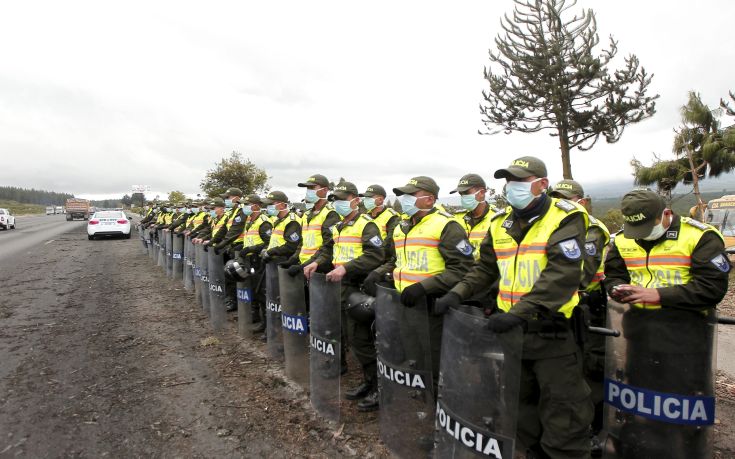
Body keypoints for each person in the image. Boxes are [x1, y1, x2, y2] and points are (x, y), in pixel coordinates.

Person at [436, 156, 593, 459]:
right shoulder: (500, 223)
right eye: (508, 182)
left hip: (551, 335)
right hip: (512, 335)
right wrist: (456, 294)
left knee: (564, 414)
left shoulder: (565, 217)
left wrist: (516, 314)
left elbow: (562, 275)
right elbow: (484, 269)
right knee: (519, 407)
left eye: (519, 182)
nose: (511, 188)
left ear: (541, 184)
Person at [603, 189, 730, 458]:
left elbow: (711, 288)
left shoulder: (699, 237)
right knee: (641, 398)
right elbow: (613, 274)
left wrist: (658, 294)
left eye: (646, 227)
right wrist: (617, 288)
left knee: (681, 403)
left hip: (684, 334)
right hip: (638, 331)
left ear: (666, 215)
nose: (640, 234)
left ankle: (687, 450)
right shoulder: (623, 239)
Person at [378, 176, 474, 385]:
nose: (405, 199)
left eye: (411, 195)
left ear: (429, 199)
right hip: (406, 303)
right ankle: (424, 401)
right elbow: (397, 261)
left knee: (436, 359)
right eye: (404, 195)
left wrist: (423, 287)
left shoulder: (446, 225)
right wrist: (381, 275)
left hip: (432, 306)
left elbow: (462, 268)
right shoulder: (402, 227)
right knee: (415, 356)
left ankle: (443, 403)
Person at [303, 181, 385, 411]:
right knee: (343, 334)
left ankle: (378, 387)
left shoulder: (367, 226)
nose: (338, 203)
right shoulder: (339, 226)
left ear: (355, 200)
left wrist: (346, 268)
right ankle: (368, 382)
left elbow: (375, 255)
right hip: (338, 287)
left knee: (361, 340)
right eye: (335, 199)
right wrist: (316, 263)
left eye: (342, 199)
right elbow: (329, 250)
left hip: (357, 289)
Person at [549, 179, 609, 453]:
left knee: (589, 371)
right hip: (563, 307)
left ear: (582, 202)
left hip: (588, 307)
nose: (560, 203)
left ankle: (594, 431)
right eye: (556, 198)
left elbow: (582, 273)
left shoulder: (593, 229)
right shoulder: (556, 225)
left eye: (567, 198)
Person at [236, 194, 273, 332]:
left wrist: (251, 249)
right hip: (250, 260)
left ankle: (267, 325)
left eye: (247, 204)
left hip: (259, 261)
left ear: (256, 205)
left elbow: (268, 243)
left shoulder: (263, 221)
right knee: (254, 291)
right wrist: (243, 248)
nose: (244, 207)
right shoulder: (250, 220)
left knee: (262, 292)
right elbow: (251, 238)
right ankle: (258, 317)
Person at [287, 174, 340, 269]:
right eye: (308, 188)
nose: (309, 191)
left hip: (320, 267)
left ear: (325, 190)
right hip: (304, 266)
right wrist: (293, 259)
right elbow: (302, 242)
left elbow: (328, 246)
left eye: (312, 188)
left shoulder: (331, 213)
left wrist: (307, 264)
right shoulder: (307, 215)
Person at [214, 188, 246, 311]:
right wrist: (214, 242)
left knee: (238, 277)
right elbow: (224, 229)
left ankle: (236, 303)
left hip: (241, 248)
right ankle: (231, 300)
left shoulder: (242, 211)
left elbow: (234, 231)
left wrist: (221, 244)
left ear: (236, 198)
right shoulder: (232, 212)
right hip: (232, 247)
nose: (226, 200)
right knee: (229, 275)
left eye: (228, 197)